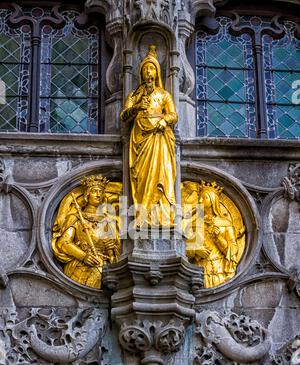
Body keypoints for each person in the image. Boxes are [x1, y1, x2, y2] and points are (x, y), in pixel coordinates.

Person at [120, 45, 178, 227]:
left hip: (159, 137)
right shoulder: (134, 95)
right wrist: (136, 107)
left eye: (151, 68)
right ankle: (142, 215)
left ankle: (161, 216)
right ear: (141, 73)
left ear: (157, 72)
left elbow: (173, 115)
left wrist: (164, 121)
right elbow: (123, 116)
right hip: (139, 139)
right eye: (145, 69)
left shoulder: (164, 95)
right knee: (142, 179)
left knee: (160, 175)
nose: (148, 72)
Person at [52, 175, 120, 288]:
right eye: (94, 191)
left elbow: (116, 251)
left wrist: (112, 249)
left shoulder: (107, 221)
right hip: (82, 264)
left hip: (104, 265)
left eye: (101, 191)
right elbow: (63, 243)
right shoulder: (76, 217)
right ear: (87, 194)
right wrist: (83, 256)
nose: (98, 194)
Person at [185, 182, 239, 288]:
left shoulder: (225, 223)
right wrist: (195, 250)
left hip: (218, 271)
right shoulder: (194, 223)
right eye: (200, 198)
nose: (200, 201)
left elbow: (232, 250)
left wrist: (218, 239)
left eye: (204, 198)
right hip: (198, 272)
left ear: (213, 200)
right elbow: (185, 248)